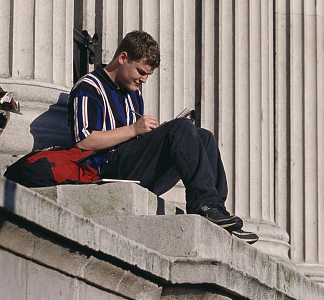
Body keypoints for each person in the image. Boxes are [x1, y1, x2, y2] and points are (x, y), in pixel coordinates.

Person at [68, 30, 258, 244]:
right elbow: (84, 142)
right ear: (123, 58)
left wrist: (158, 135)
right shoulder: (89, 86)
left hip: (133, 165)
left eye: (148, 75)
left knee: (203, 137)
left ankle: (216, 208)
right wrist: (134, 130)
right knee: (181, 128)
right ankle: (205, 206)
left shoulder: (133, 94)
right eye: (141, 71)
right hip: (105, 169)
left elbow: (136, 142)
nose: (144, 80)